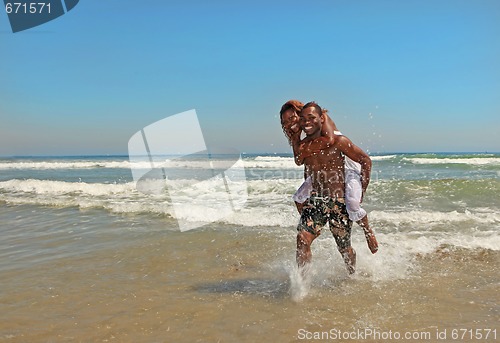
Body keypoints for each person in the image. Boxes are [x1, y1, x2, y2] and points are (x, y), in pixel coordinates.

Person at [280, 100, 378, 255]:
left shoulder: (328, 129)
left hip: (344, 173)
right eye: (285, 121)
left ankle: (367, 231)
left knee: (345, 247)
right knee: (302, 233)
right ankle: (301, 278)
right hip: (318, 195)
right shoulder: (303, 141)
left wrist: (362, 191)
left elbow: (330, 140)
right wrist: (297, 140)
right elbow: (301, 161)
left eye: (292, 118)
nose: (289, 123)